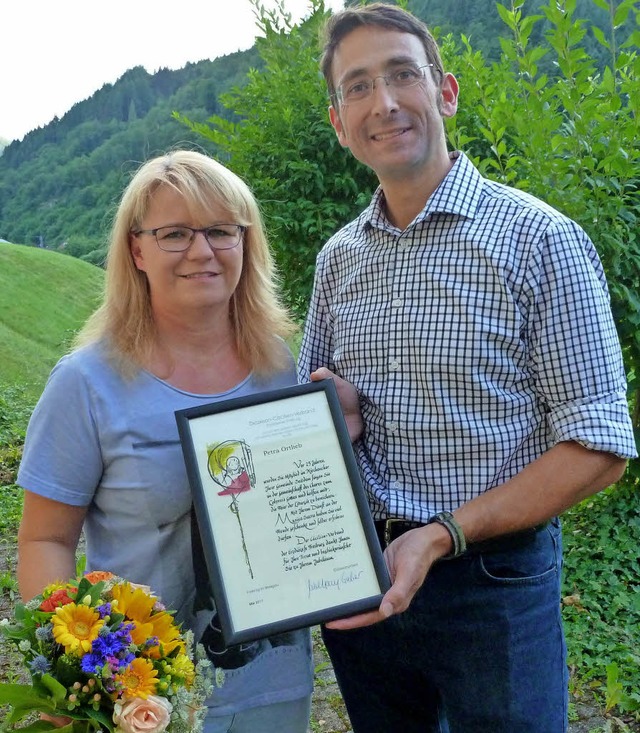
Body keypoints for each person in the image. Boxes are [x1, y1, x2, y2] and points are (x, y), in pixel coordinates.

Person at [297, 4, 638, 732]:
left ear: (444, 91)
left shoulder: (541, 240)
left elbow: (600, 445)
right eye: (357, 87)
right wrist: (341, 413)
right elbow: (313, 430)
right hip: (362, 580)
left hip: (493, 584)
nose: (382, 103)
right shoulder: (337, 260)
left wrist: (445, 532)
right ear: (338, 121)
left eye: (400, 75)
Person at [17, 150, 314, 733]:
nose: (201, 251)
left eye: (221, 230)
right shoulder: (87, 383)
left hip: (273, 681)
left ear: (245, 243)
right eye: (174, 233)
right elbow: (45, 539)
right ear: (137, 250)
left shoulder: (284, 367)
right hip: (142, 695)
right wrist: (73, 667)